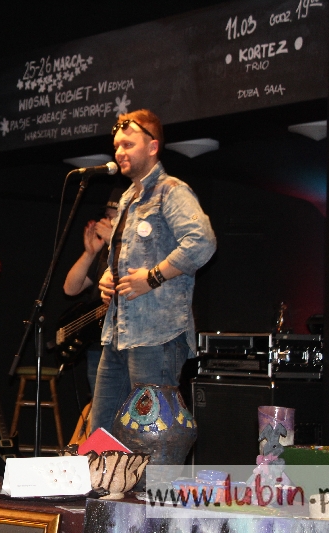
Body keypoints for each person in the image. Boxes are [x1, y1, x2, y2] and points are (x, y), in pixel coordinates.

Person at [91, 109, 216, 434]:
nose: (120, 152)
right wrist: (109, 278)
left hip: (156, 338)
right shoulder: (127, 198)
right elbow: (126, 256)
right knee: (101, 434)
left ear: (152, 146)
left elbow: (202, 242)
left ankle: (152, 474)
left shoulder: (171, 191)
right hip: (118, 335)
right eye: (117, 146)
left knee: (151, 437)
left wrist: (152, 277)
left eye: (128, 144)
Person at [63, 188, 123, 398]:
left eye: (114, 218)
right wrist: (90, 253)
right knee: (100, 406)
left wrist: (115, 240)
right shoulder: (105, 253)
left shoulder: (133, 250)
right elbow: (70, 288)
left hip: (126, 345)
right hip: (99, 344)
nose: (106, 222)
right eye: (106, 216)